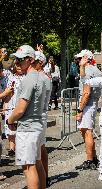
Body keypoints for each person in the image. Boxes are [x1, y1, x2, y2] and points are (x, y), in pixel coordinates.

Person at [7, 45, 46, 189]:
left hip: (27, 128)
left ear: (30, 60)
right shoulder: (40, 77)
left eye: (20, 60)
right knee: (37, 164)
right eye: (16, 60)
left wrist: (9, 120)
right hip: (35, 125)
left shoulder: (28, 79)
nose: (16, 63)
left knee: (28, 168)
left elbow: (20, 109)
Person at [75, 50, 101, 170]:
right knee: (87, 131)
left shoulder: (89, 70)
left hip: (88, 104)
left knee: (87, 132)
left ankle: (90, 160)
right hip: (92, 103)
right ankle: (93, 158)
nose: (78, 60)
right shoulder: (95, 70)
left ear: (86, 58)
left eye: (80, 58)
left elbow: (86, 92)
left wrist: (80, 110)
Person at [34, 50, 52, 187]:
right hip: (40, 115)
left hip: (39, 116)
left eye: (33, 61)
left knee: (37, 151)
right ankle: (44, 177)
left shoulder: (41, 78)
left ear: (40, 63)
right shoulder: (41, 76)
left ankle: (41, 179)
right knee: (41, 147)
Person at [4, 60, 24, 158]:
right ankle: (12, 148)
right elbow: (7, 93)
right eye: (17, 65)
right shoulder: (11, 78)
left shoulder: (26, 77)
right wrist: (5, 106)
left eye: (21, 65)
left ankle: (20, 148)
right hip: (12, 104)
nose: (19, 67)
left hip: (22, 105)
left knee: (19, 128)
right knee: (10, 128)